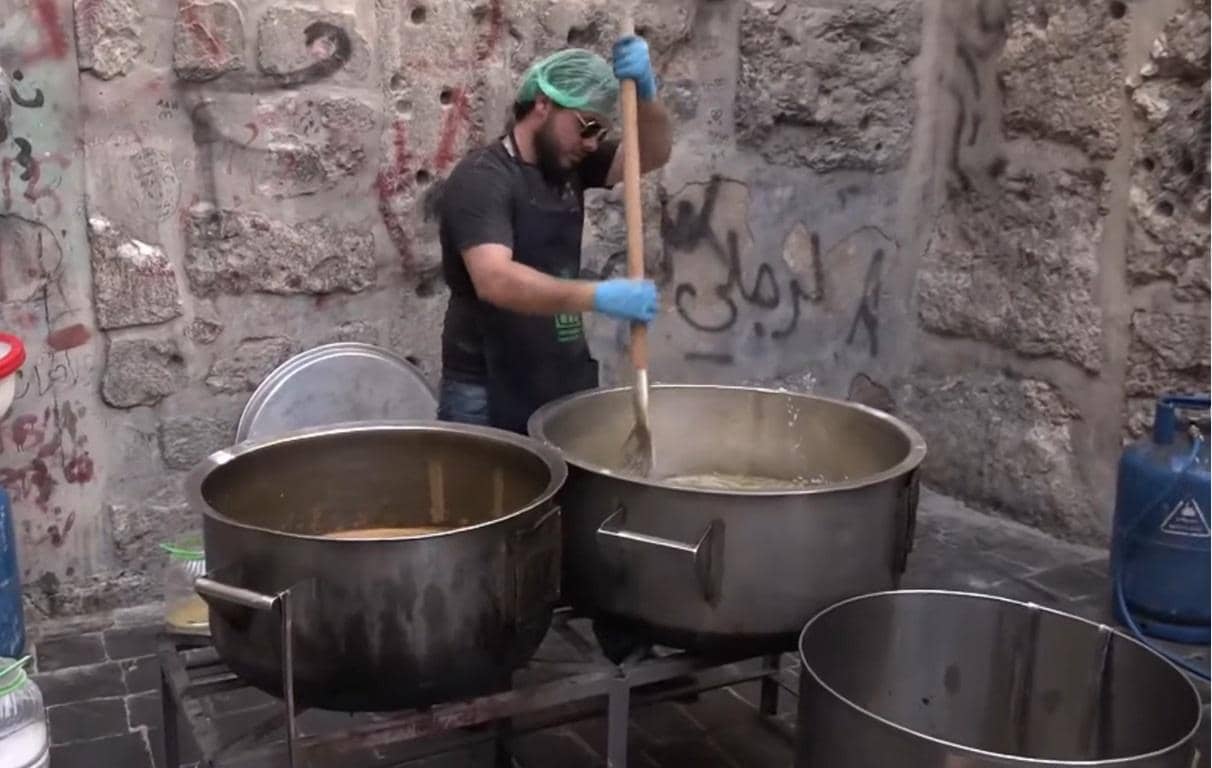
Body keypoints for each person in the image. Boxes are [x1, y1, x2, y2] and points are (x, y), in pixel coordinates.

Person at [435, 35, 673, 434]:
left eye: (601, 131)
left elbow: (650, 153)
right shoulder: (484, 179)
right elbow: (495, 280)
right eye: (587, 126)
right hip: (486, 389)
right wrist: (598, 296)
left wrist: (647, 95)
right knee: (493, 498)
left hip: (561, 378)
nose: (592, 142)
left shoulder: (569, 165)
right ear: (543, 104)